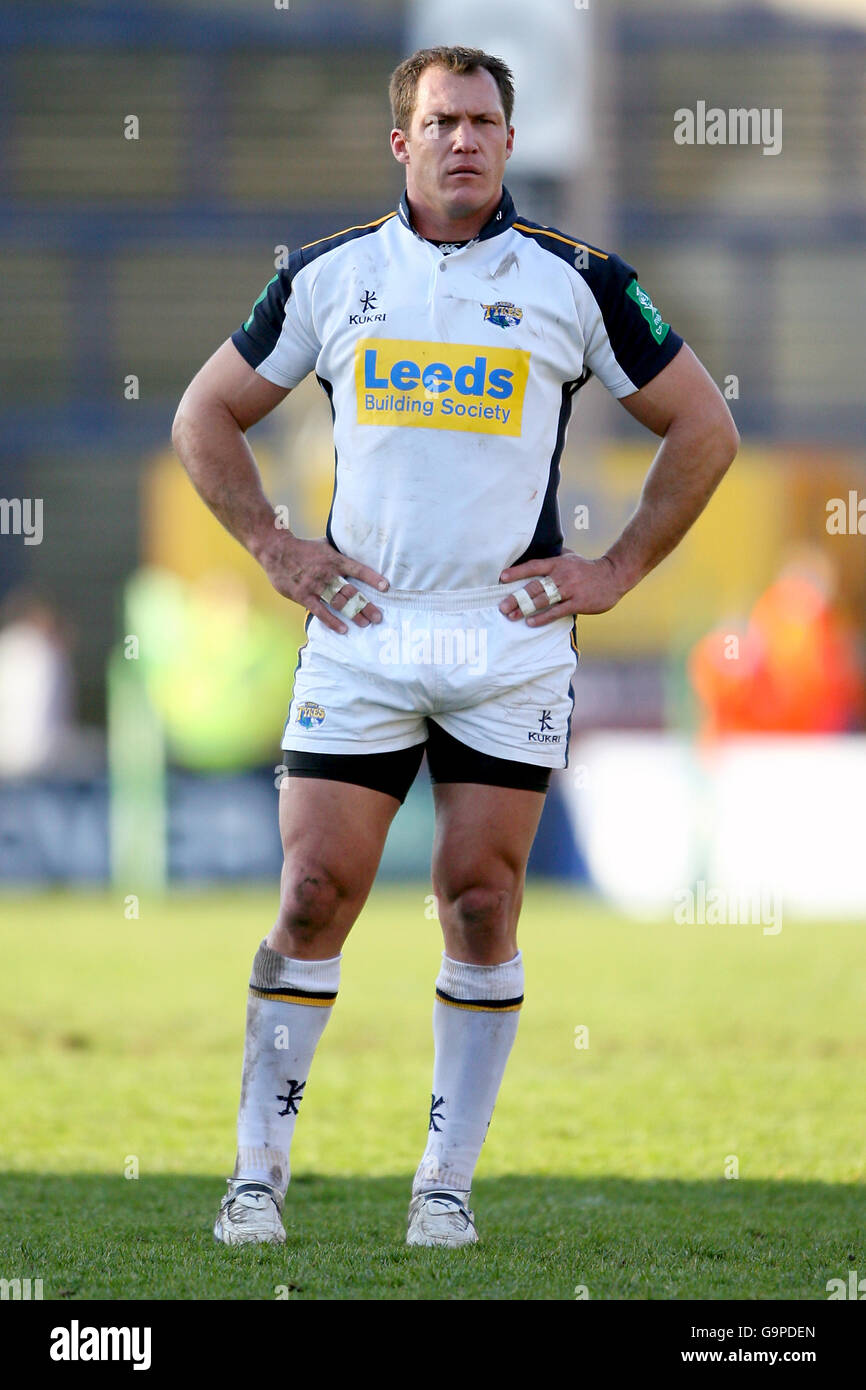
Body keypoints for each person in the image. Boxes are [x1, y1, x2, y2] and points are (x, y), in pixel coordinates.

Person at [172, 45, 739, 1249]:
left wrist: (612, 569)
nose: (464, 140)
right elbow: (202, 413)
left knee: (478, 905)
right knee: (315, 892)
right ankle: (256, 1175)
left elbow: (701, 426)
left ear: (506, 138)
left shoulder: (577, 280)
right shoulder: (327, 276)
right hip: (361, 634)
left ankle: (442, 1185)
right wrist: (277, 547)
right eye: (441, 122)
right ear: (401, 141)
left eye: (484, 121)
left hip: (509, 641)